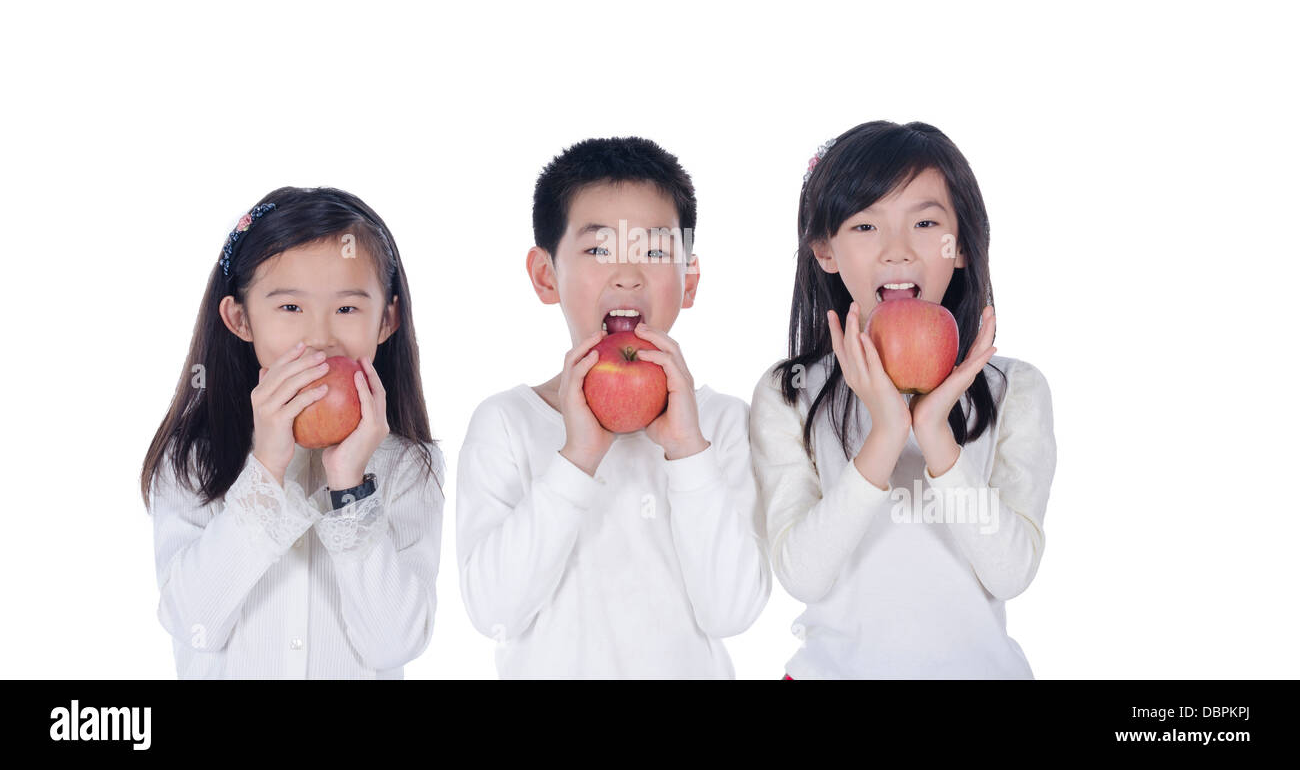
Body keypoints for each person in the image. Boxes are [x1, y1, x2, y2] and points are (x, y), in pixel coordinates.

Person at [751, 121, 1056, 679]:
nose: (896, 250)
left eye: (924, 222)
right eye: (865, 224)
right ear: (825, 250)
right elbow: (803, 575)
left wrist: (935, 433)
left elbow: (1010, 572)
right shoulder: (790, 391)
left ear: (959, 245)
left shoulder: (1015, 390)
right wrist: (888, 433)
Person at [457, 136, 771, 678]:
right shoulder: (506, 424)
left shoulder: (719, 425)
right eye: (599, 250)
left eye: (655, 252)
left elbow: (732, 611)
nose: (628, 276)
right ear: (544, 275)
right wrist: (577, 457)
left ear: (689, 281)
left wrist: (688, 453)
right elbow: (492, 611)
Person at [140, 186, 444, 678]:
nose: (319, 338)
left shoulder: (407, 464)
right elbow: (190, 619)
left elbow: (395, 645)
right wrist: (265, 468)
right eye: (289, 309)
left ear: (387, 319)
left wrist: (351, 487)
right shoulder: (194, 455)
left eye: (347, 309)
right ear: (240, 318)